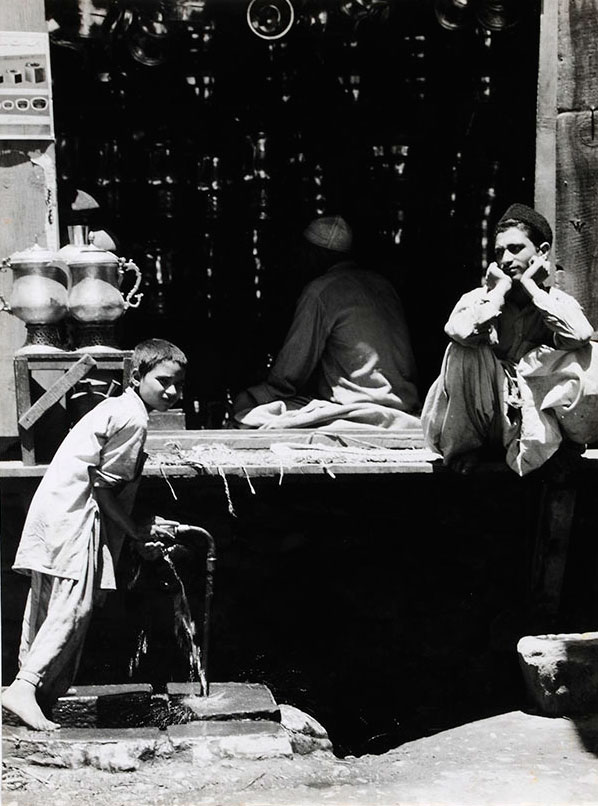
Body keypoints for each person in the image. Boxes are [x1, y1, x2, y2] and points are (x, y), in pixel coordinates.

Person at [2, 338, 187, 730]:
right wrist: (136, 531)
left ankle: (35, 695)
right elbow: (103, 489)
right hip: (76, 515)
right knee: (74, 606)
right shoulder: (133, 418)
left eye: (178, 385)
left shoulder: (115, 406)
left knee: (47, 604)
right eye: (164, 381)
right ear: (137, 376)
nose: (172, 392)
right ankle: (24, 686)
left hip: (54, 509)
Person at [422, 203, 598, 475]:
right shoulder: (479, 299)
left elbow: (580, 334)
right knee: (463, 351)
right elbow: (459, 332)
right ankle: (467, 450)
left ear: (541, 253)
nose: (505, 259)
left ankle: (558, 449)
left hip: (538, 427)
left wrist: (531, 288)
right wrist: (499, 291)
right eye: (499, 252)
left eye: (515, 248)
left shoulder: (557, 302)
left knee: (589, 355)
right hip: (491, 427)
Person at [233, 215, 421, 429]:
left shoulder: (320, 291)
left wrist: (256, 390)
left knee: (248, 407)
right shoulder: (383, 285)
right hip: (402, 405)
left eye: (304, 252)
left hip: (359, 406)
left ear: (317, 255)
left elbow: (289, 374)